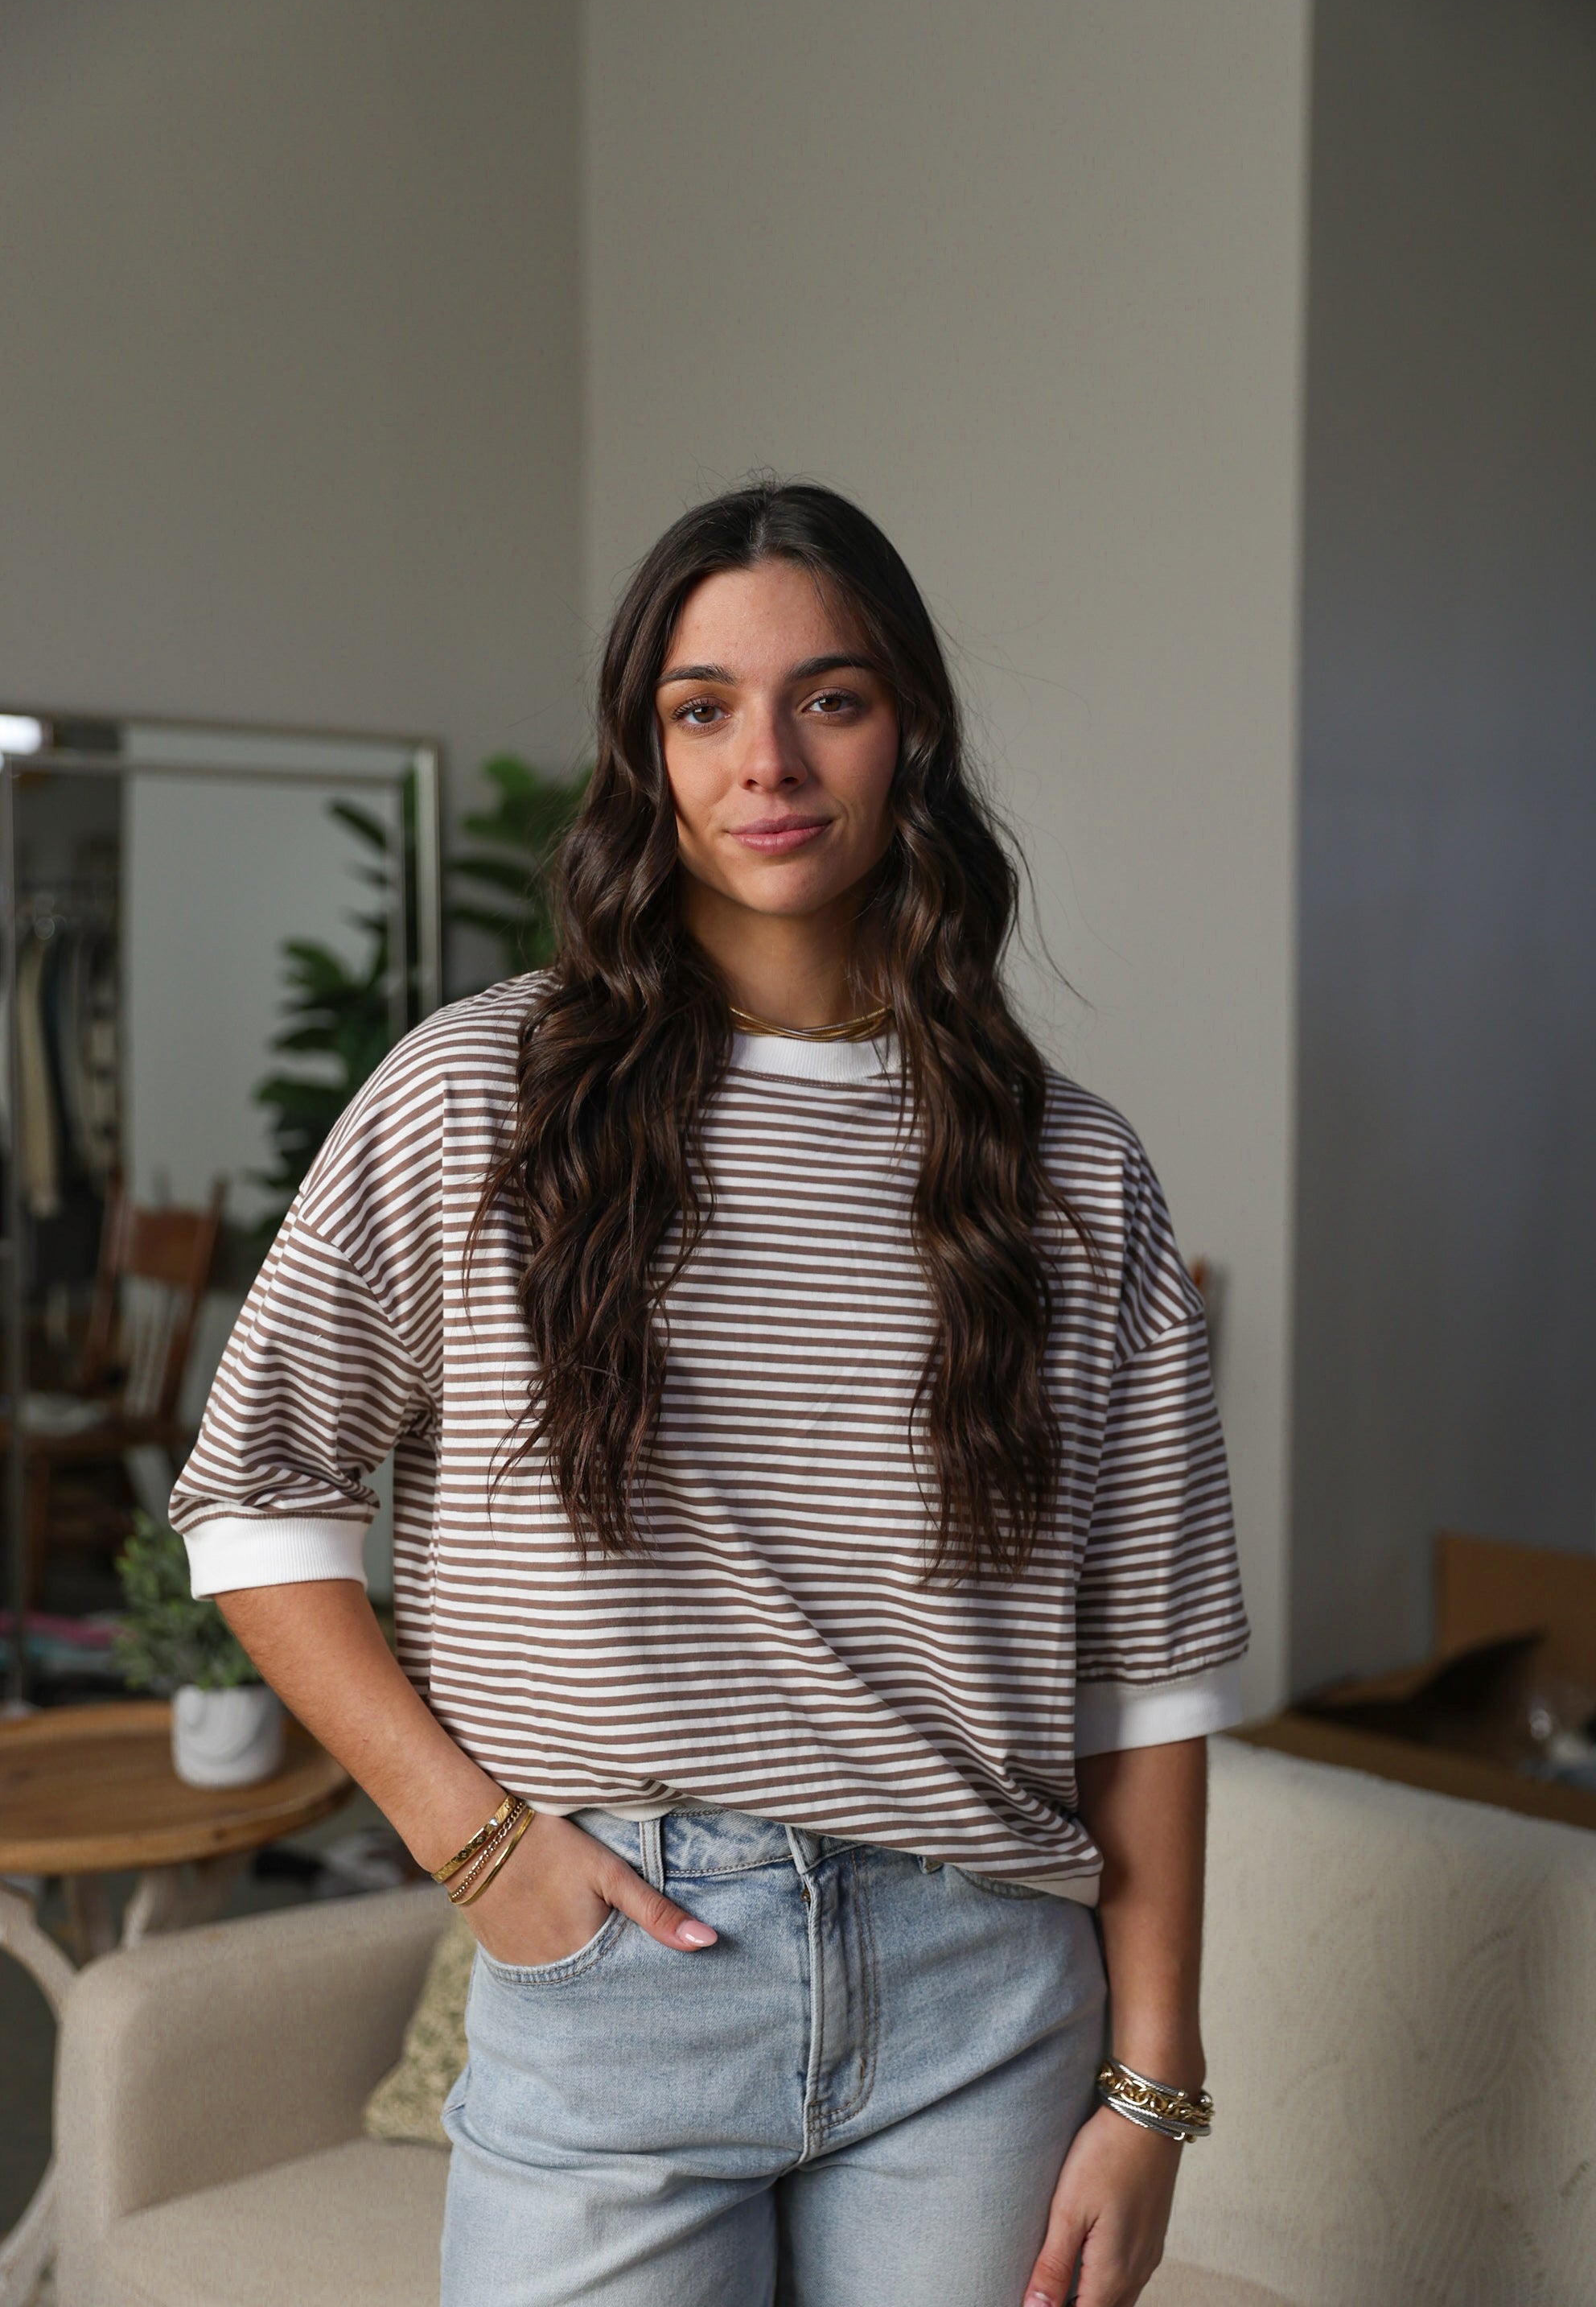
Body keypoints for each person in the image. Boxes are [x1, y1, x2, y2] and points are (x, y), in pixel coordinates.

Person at [171, 480, 1248, 2307]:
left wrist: (1150, 2088)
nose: (768, 759)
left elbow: (1141, 1660)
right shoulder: (477, 1095)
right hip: (622, 1974)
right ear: (644, 751)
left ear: (907, 732)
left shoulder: (1072, 1168)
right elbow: (254, 1497)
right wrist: (477, 1840)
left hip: (982, 1997)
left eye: (828, 697)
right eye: (702, 708)